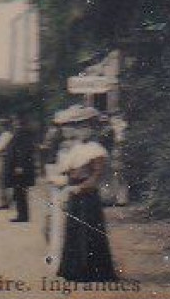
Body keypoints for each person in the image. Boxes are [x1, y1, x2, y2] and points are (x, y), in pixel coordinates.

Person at [50, 105, 119, 282]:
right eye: (79, 127)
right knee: (74, 232)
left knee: (88, 233)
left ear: (93, 129)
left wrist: (79, 187)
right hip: (74, 194)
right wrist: (63, 179)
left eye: (86, 127)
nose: (82, 131)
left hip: (88, 196)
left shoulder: (97, 150)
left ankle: (93, 272)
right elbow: (67, 170)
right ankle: (74, 270)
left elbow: (96, 177)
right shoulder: (76, 148)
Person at [2, 112, 38, 223]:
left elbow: (23, 151)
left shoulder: (22, 133)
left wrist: (19, 165)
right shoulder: (21, 132)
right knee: (19, 192)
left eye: (15, 120)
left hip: (20, 169)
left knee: (20, 192)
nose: (13, 123)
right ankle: (22, 214)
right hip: (18, 168)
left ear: (19, 121)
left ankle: (23, 216)